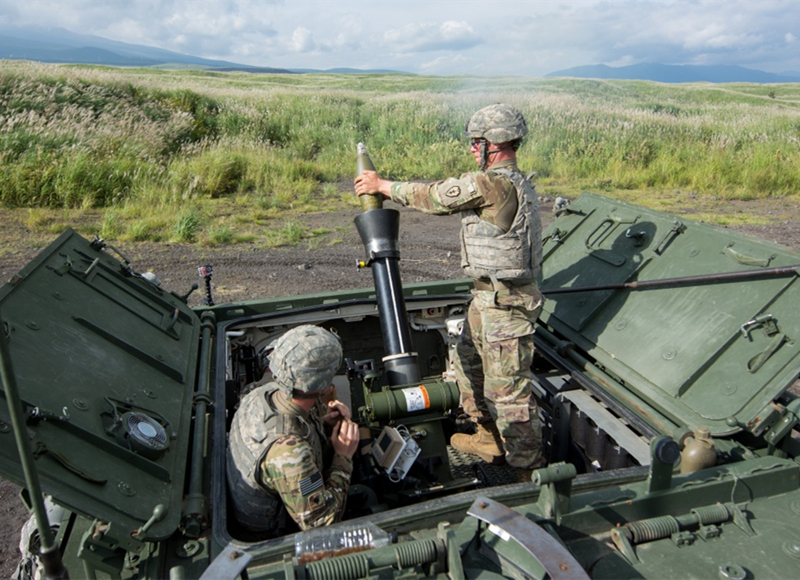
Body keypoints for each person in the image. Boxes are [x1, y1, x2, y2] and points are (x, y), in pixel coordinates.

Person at [354, 103, 545, 479]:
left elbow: (437, 196)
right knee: (468, 370)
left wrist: (383, 187)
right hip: (486, 300)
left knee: (509, 395)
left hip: (506, 307)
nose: (472, 149)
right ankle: (490, 439)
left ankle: (529, 475)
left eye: (476, 142)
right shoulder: (508, 181)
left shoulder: (495, 183)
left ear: (493, 143)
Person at [226, 325, 359, 535]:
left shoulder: (261, 392)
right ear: (324, 386)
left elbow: (293, 423)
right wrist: (343, 457)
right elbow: (322, 522)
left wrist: (323, 425)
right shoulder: (291, 453)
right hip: (271, 534)